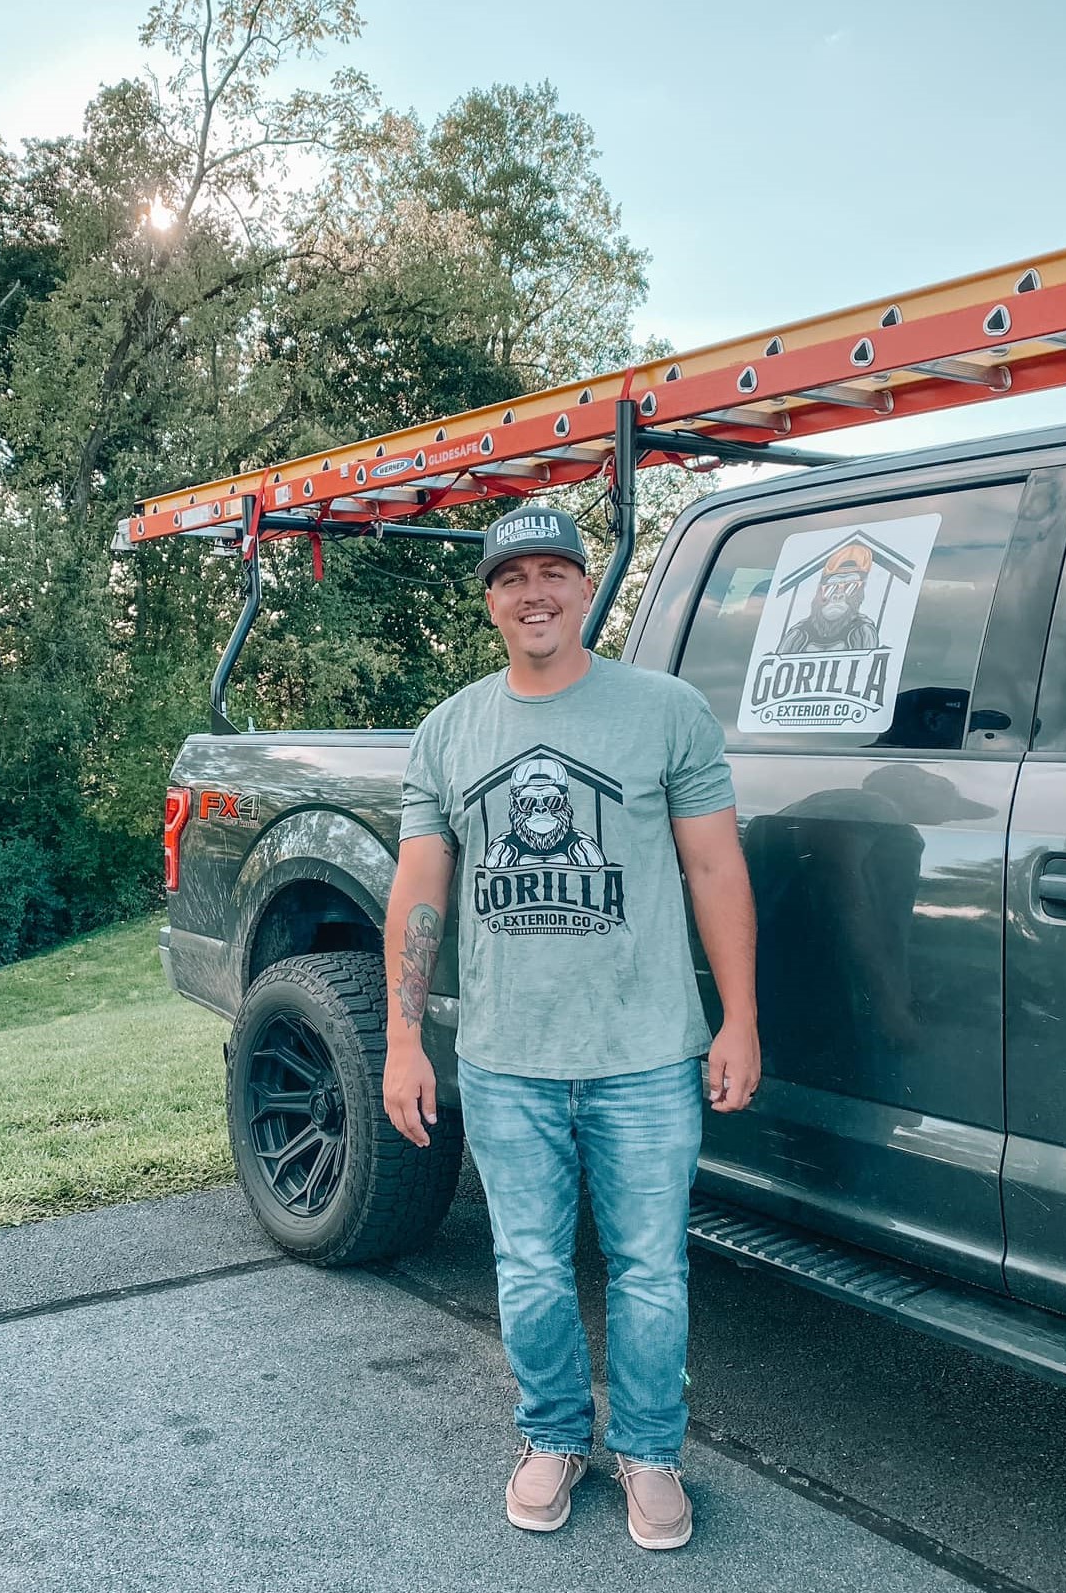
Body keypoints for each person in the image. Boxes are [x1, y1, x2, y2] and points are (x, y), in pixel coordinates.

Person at [382, 503, 760, 1552]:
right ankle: (551, 1435)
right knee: (532, 1268)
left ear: (586, 590)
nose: (535, 593)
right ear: (491, 600)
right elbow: (419, 890)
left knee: (649, 1270)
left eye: (556, 572)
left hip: (645, 1053)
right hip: (507, 1059)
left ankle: (648, 1453)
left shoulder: (665, 712)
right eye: (513, 578)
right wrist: (405, 1042)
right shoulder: (450, 730)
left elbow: (714, 868)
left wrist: (740, 1020)